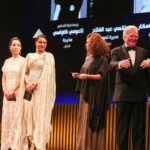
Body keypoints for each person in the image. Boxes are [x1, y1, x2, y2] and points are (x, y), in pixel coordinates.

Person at [110, 25, 150, 150]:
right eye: (131, 35)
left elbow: (147, 76)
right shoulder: (116, 51)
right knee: (122, 128)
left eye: (136, 36)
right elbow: (111, 65)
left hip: (139, 94)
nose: (134, 38)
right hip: (123, 94)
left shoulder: (144, 52)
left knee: (139, 129)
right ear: (124, 36)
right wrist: (119, 64)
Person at [14, 34, 56, 150]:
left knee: (40, 116)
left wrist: (36, 84)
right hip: (29, 90)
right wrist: (28, 83)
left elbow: (49, 76)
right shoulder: (29, 56)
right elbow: (25, 73)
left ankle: (38, 143)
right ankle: (32, 143)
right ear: (36, 43)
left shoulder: (49, 57)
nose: (42, 44)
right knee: (29, 116)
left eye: (44, 43)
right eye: (40, 42)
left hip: (41, 91)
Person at [72, 32, 111, 150]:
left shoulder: (103, 59)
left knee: (90, 122)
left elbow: (101, 76)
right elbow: (85, 72)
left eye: (88, 42)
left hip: (94, 96)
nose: (86, 44)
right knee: (83, 123)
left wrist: (87, 76)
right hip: (85, 93)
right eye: (86, 42)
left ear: (95, 44)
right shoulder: (88, 58)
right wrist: (78, 75)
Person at [1, 37, 25, 150]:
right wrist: (5, 90)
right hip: (7, 94)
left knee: (16, 117)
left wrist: (13, 90)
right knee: (7, 117)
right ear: (10, 47)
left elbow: (23, 78)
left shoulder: (23, 61)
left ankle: (17, 145)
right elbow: (3, 78)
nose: (16, 47)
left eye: (18, 45)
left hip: (17, 91)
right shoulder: (7, 61)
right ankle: (6, 144)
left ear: (21, 48)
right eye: (14, 45)